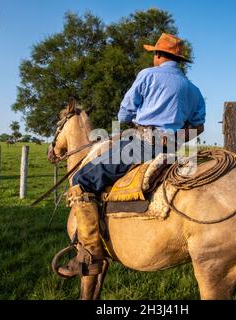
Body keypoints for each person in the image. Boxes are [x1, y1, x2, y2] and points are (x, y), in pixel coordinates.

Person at [60, 33, 206, 278]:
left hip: (141, 144)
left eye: (154, 54)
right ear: (179, 60)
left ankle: (89, 254)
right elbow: (198, 125)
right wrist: (174, 137)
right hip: (172, 149)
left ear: (158, 55)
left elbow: (125, 111)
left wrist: (130, 121)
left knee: (81, 179)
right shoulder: (193, 89)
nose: (153, 57)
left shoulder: (147, 75)